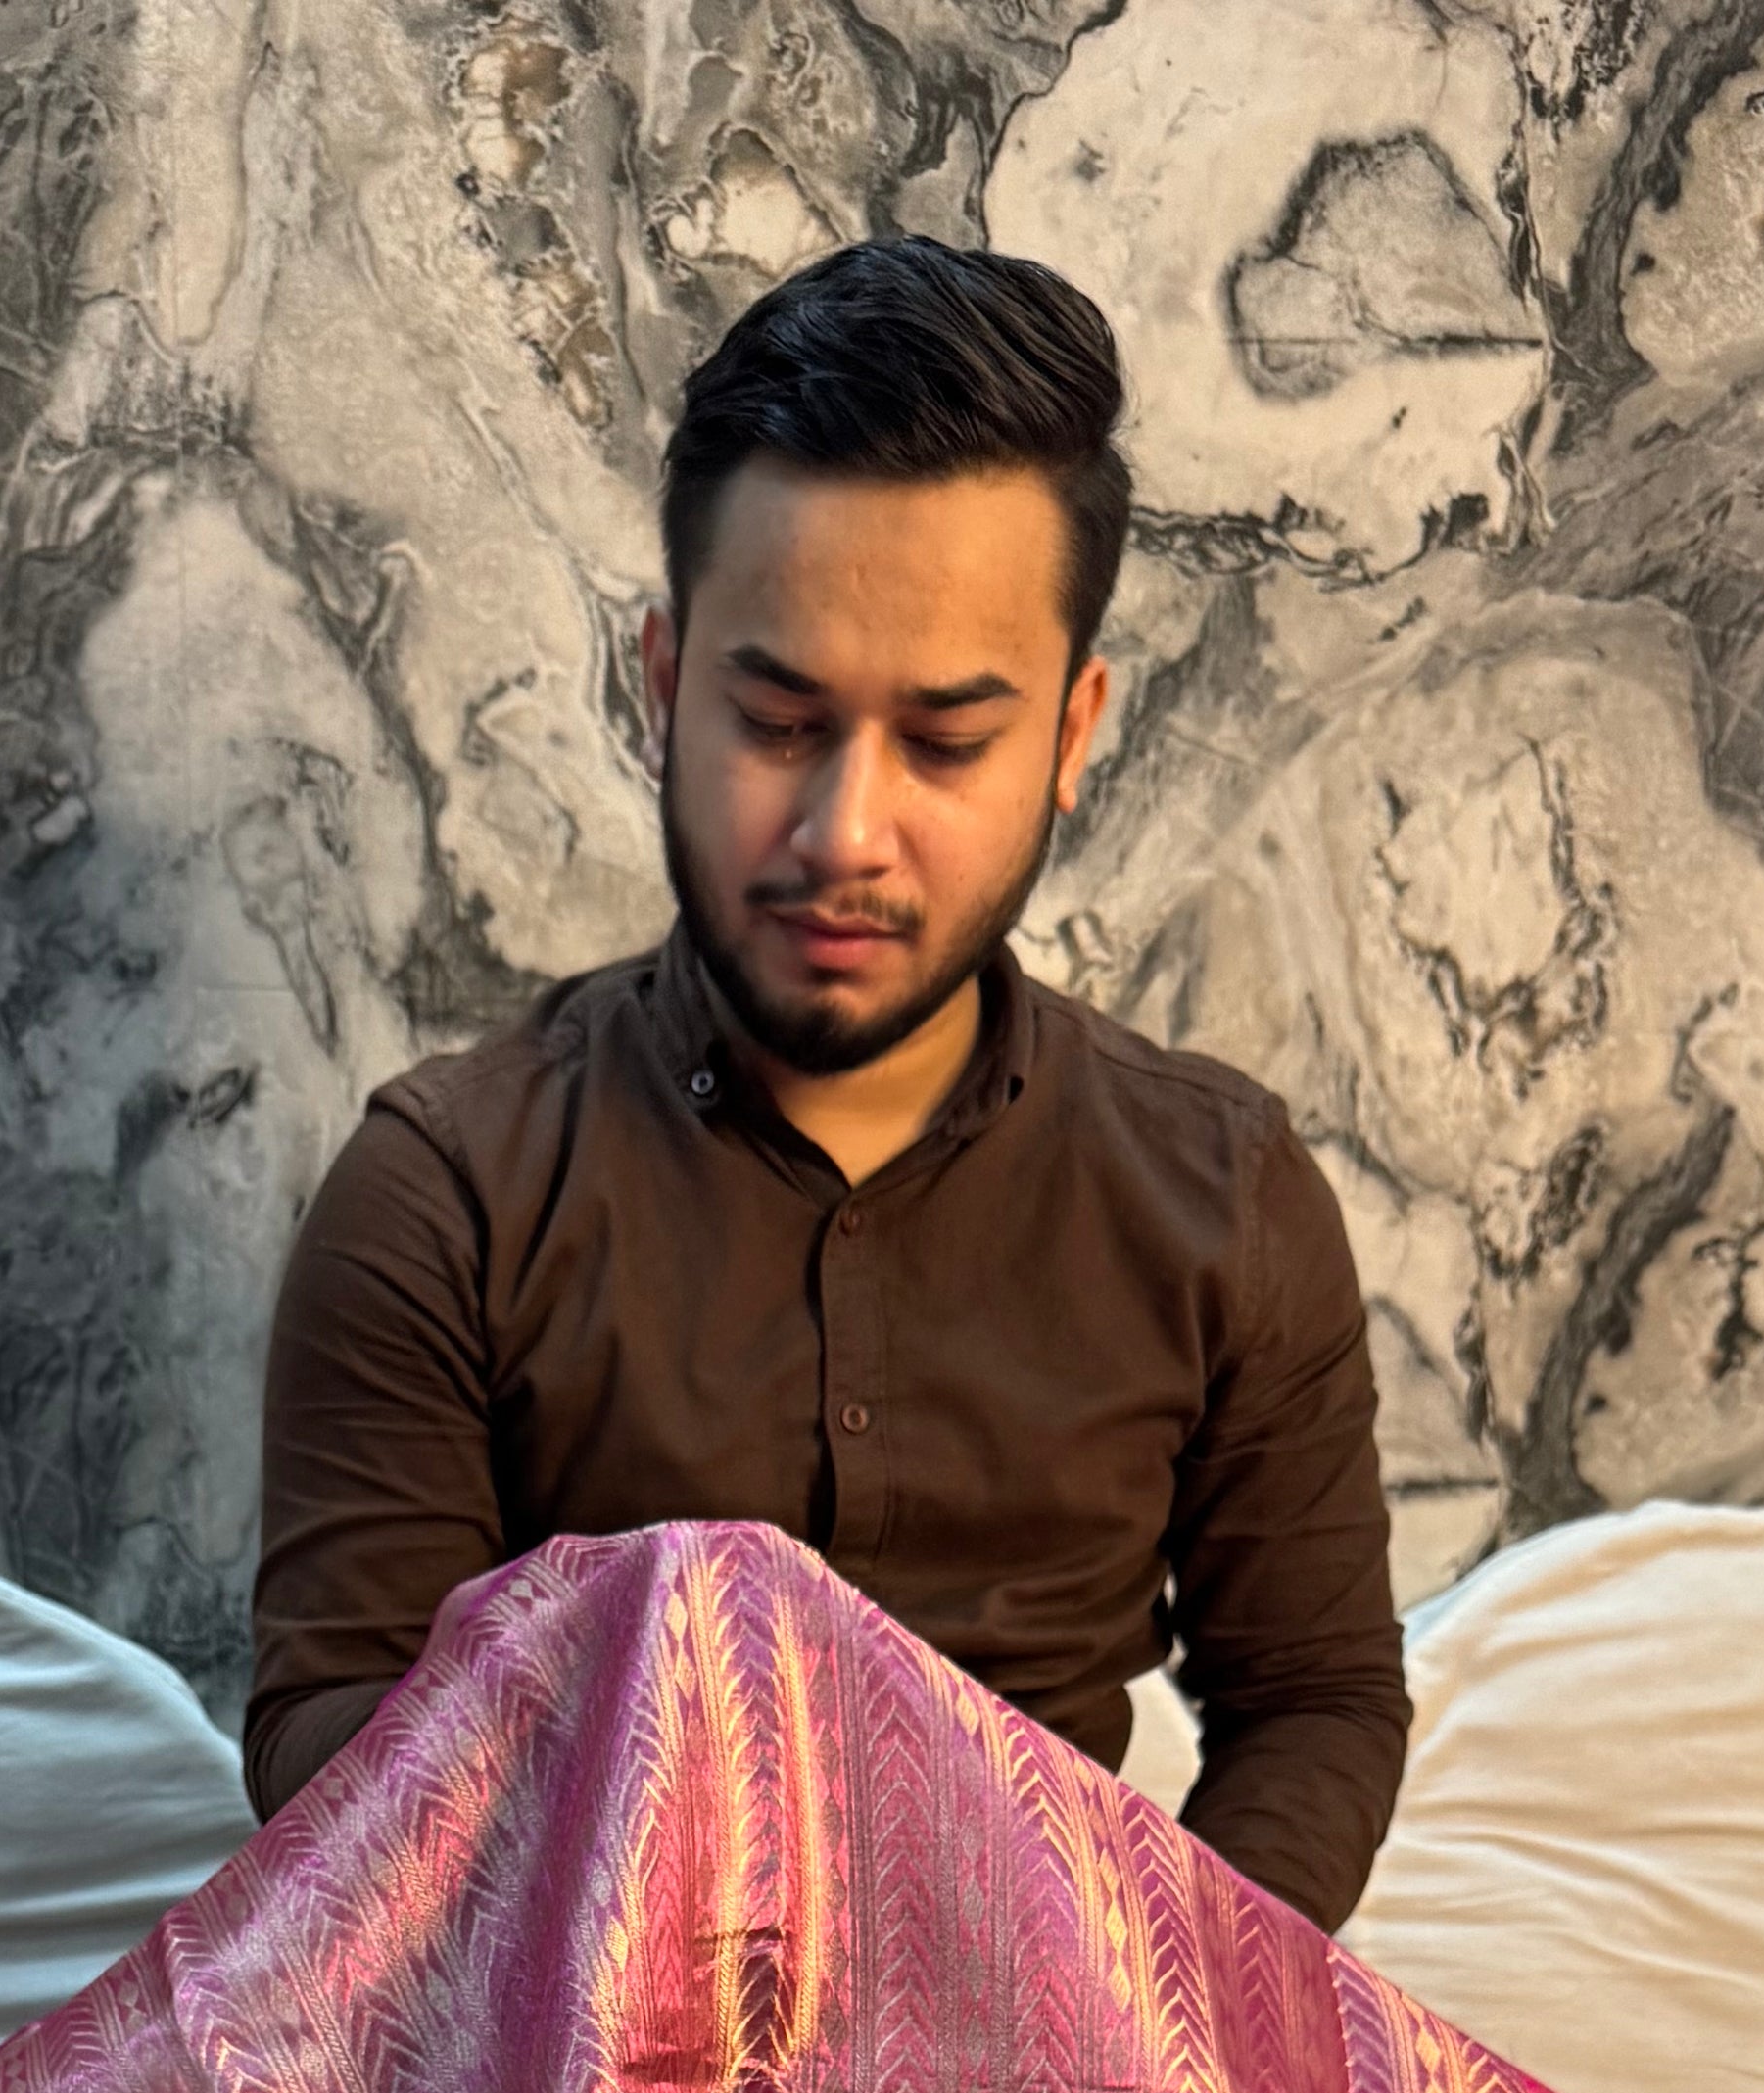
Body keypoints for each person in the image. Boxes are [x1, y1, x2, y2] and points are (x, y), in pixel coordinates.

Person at [245, 237, 1411, 1929]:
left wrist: (1155, 2007)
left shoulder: (1223, 1202)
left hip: (1064, 2079)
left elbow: (1314, 1702)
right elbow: (326, 1727)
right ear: (662, 689)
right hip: (560, 2071)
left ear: (1074, 736)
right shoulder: (444, 1197)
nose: (844, 834)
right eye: (780, 721)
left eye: (947, 743)